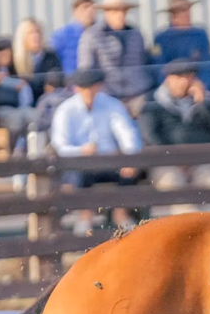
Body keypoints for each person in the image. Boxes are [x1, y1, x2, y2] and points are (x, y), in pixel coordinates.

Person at [50, 69, 142, 234]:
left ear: (98, 87)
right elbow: (60, 146)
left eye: (92, 87)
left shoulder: (111, 105)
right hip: (78, 164)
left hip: (108, 161)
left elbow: (127, 133)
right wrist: (81, 151)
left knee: (127, 171)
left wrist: (129, 157)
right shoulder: (66, 110)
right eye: (84, 88)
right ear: (77, 89)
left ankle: (120, 214)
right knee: (81, 174)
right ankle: (85, 217)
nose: (88, 92)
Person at [77, 0, 151, 118]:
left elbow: (144, 63)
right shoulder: (91, 35)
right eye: (115, 10)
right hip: (107, 96)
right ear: (106, 12)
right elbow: (86, 71)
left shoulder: (136, 34)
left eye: (123, 10)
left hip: (138, 96)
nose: (120, 15)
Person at [140, 59, 210, 146]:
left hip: (203, 153)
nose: (184, 82)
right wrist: (167, 154)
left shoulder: (208, 99)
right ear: (168, 79)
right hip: (168, 154)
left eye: (189, 77)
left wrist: (203, 103)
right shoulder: (154, 99)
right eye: (179, 77)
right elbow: (148, 134)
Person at [150, 0, 210, 93]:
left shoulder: (200, 34)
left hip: (196, 85)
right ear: (172, 15)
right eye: (179, 11)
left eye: (186, 10)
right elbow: (159, 66)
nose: (185, 14)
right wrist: (172, 86)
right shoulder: (161, 38)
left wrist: (201, 85)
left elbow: (207, 63)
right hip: (170, 87)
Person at [13, 17, 63, 103]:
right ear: (22, 36)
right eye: (31, 32)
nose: (36, 35)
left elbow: (55, 82)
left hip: (46, 103)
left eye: (38, 31)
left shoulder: (51, 57)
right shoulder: (14, 60)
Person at [50, 0, 95, 76]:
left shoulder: (102, 33)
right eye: (85, 7)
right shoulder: (62, 35)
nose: (89, 11)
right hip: (69, 83)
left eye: (92, 8)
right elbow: (53, 62)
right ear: (75, 11)